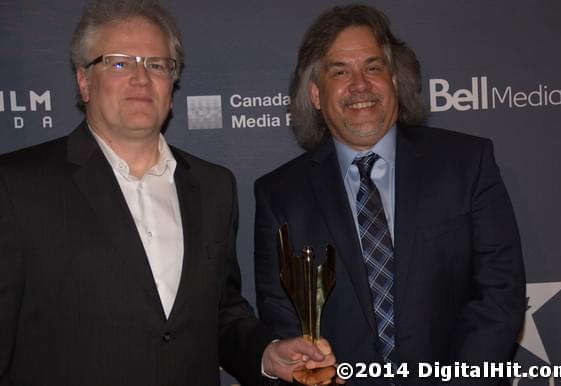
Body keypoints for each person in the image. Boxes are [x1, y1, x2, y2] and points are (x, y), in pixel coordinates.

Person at [0, 1, 336, 385]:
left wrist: (266, 353)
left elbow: (221, 314)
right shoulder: (17, 186)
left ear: (171, 85)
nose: (141, 78)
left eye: (157, 64)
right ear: (83, 81)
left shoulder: (214, 187)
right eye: (120, 62)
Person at [254, 4, 525, 385]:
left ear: (395, 80)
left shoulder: (467, 163)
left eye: (373, 67)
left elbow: (500, 295)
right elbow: (280, 316)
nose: (360, 85)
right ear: (316, 94)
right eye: (340, 72)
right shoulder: (278, 194)